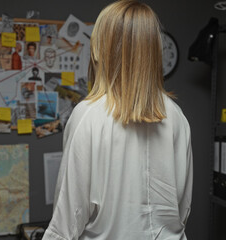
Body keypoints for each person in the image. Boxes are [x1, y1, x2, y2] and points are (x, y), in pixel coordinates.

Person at [43, 1, 193, 240]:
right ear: (153, 50)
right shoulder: (176, 116)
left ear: (99, 50)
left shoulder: (88, 115)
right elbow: (181, 208)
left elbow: (68, 218)